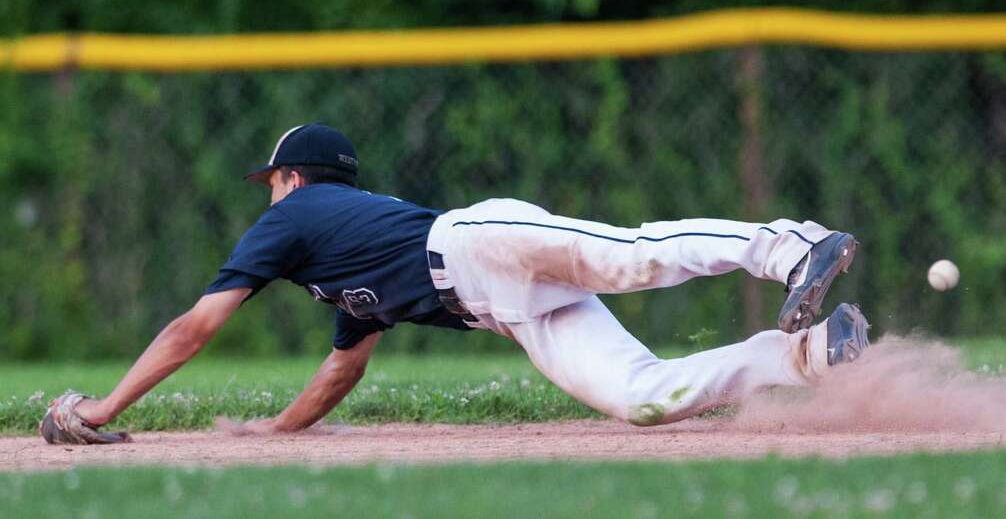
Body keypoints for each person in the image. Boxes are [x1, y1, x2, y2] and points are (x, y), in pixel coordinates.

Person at [43, 123, 869, 443]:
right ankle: (805, 356)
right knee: (641, 397)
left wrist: (106, 407)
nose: (268, 191)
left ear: (296, 178)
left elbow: (196, 325)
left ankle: (792, 244)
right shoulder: (338, 261)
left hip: (477, 245)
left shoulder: (295, 219)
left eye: (273, 178)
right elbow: (344, 367)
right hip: (503, 307)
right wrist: (279, 429)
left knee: (630, 255)